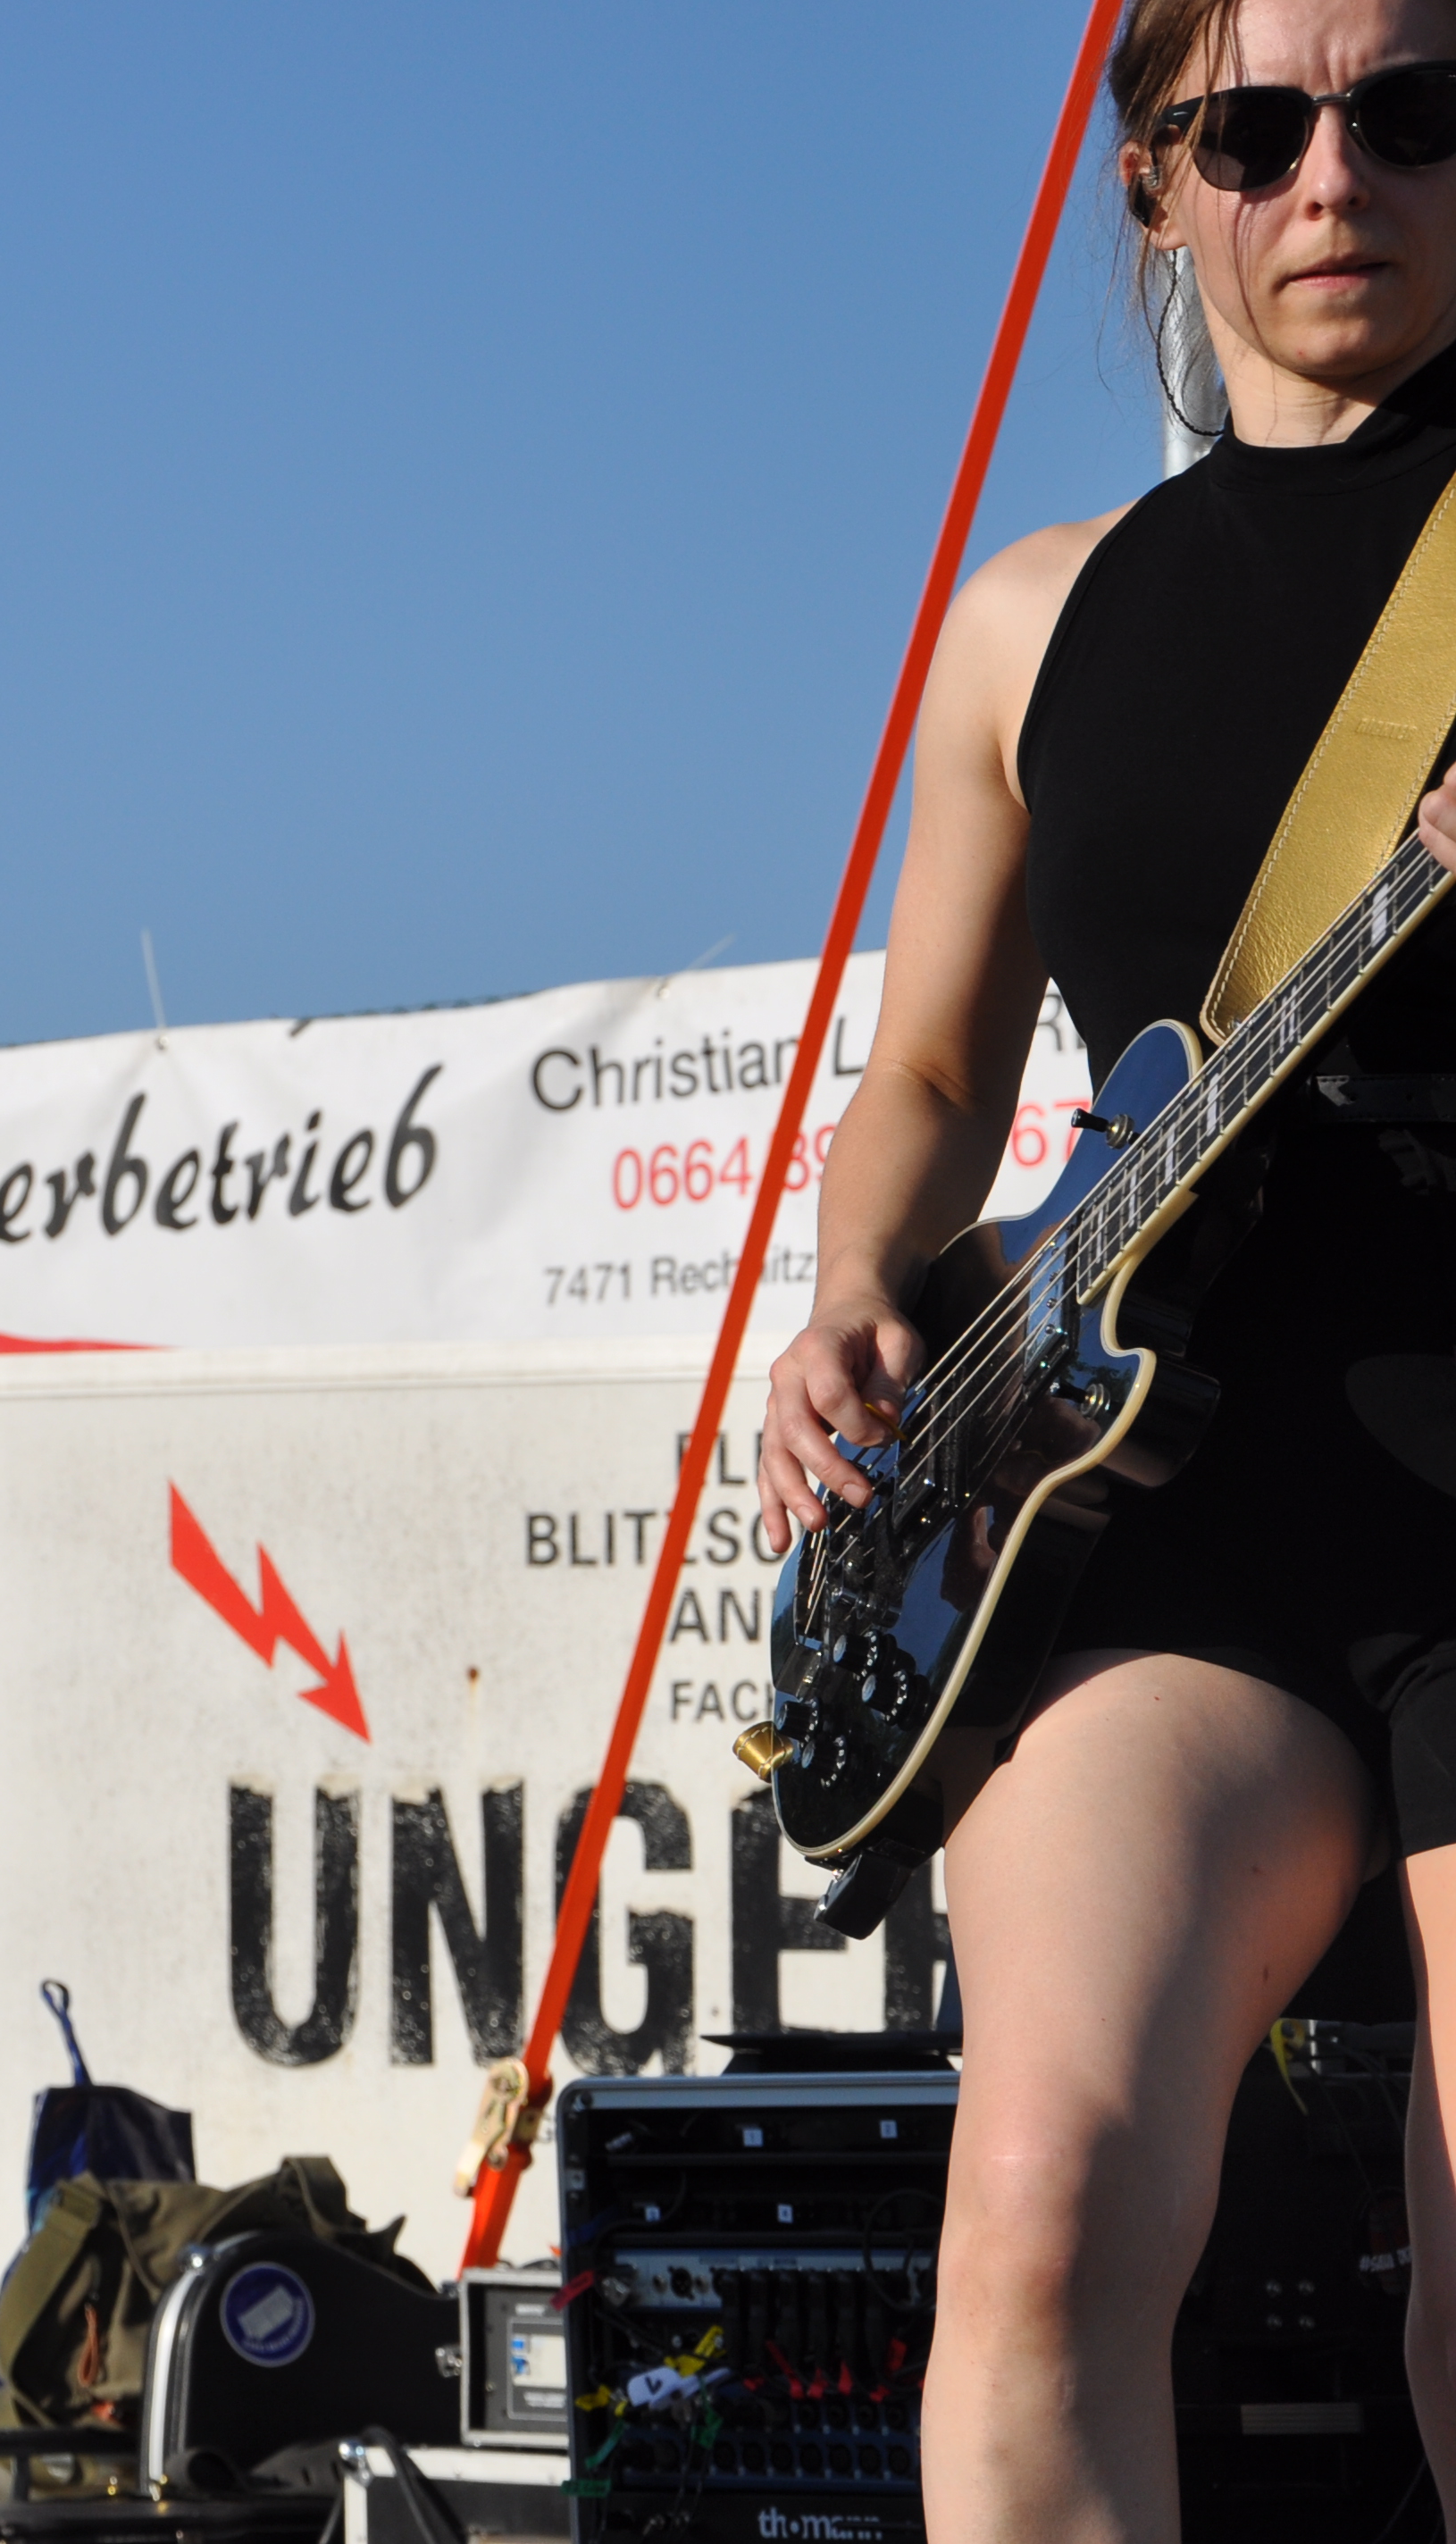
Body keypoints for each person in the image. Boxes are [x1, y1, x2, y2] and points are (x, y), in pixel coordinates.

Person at [756, 3, 1456, 2531]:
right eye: (1252, 129)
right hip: (1162, 1508)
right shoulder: (1033, 618)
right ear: (1154, 180)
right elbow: (937, 1073)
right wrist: (853, 1279)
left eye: (1411, 111)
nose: (1331, 178)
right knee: (1038, 2222)